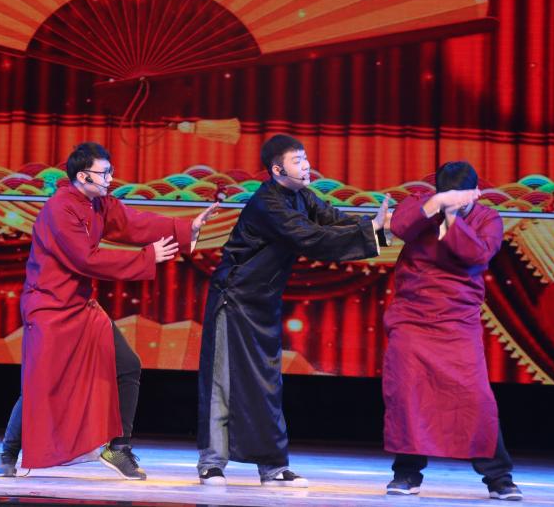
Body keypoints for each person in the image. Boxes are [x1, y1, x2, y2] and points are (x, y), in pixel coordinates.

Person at [0, 142, 217, 480]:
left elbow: (133, 223)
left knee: (128, 365)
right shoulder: (60, 209)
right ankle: (9, 451)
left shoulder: (99, 203)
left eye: (110, 171)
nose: (110, 178)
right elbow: (86, 259)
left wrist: (185, 229)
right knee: (42, 381)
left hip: (80, 305)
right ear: (83, 176)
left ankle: (118, 447)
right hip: (48, 306)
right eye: (104, 173)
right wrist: (146, 257)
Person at [196, 134, 390, 488]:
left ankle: (272, 466)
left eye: (305, 158)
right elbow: (310, 238)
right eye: (297, 161)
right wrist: (370, 231)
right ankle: (212, 462)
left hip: (263, 302)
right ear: (277, 169)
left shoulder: (302, 195)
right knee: (223, 381)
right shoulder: (267, 204)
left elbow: (332, 221)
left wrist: (375, 229)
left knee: (267, 385)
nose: (306, 165)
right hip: (234, 299)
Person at [383, 161, 522, 501]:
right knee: (408, 394)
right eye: (447, 196)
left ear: (476, 193)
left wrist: (452, 218)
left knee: (475, 399)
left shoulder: (488, 219)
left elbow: (476, 254)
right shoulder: (423, 206)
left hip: (457, 321)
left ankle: (498, 477)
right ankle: (406, 473)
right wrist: (437, 204)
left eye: (462, 197)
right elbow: (400, 226)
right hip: (413, 318)